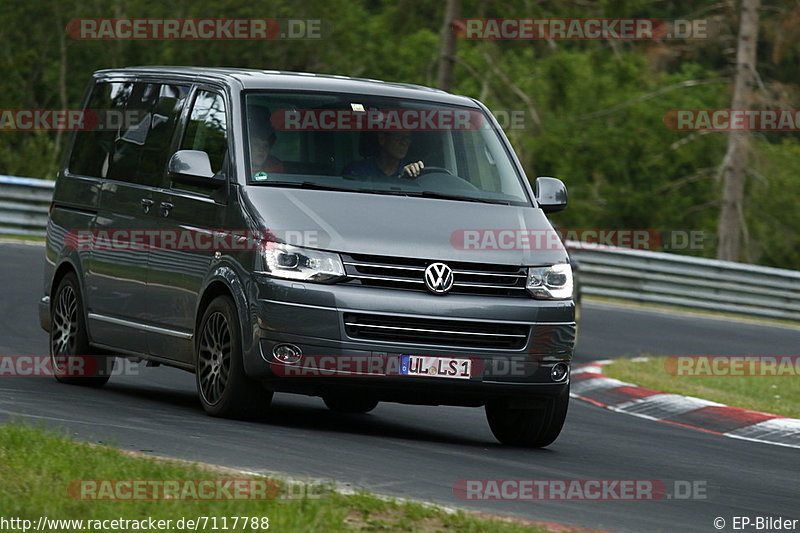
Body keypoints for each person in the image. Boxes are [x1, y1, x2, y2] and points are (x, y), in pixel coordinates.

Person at [344, 131, 424, 178]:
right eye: (398, 137)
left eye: (407, 138)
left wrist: (408, 178)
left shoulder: (411, 171)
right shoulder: (357, 171)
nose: (404, 143)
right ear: (382, 139)